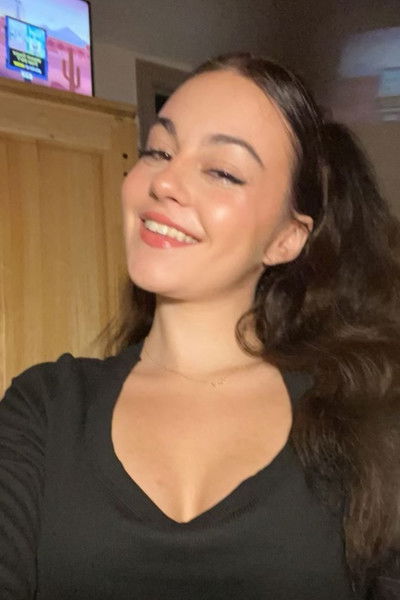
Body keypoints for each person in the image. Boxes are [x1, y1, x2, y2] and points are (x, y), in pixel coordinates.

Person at [1, 53, 400, 600]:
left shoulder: (364, 424)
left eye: (222, 171)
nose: (164, 181)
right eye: (159, 150)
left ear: (287, 238)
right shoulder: (46, 407)